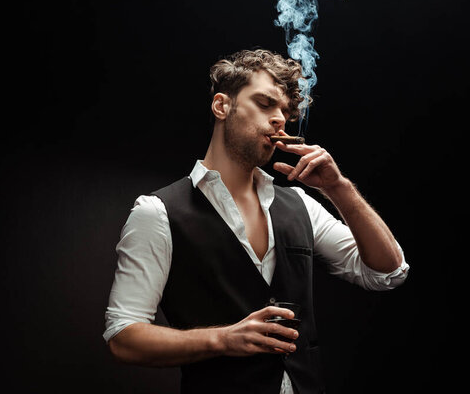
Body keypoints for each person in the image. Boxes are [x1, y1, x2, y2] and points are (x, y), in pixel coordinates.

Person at [103, 49, 409, 394]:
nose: (280, 119)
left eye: (285, 112)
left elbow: (388, 272)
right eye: (265, 104)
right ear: (222, 106)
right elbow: (123, 336)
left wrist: (339, 189)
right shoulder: (157, 212)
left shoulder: (299, 205)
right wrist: (223, 339)